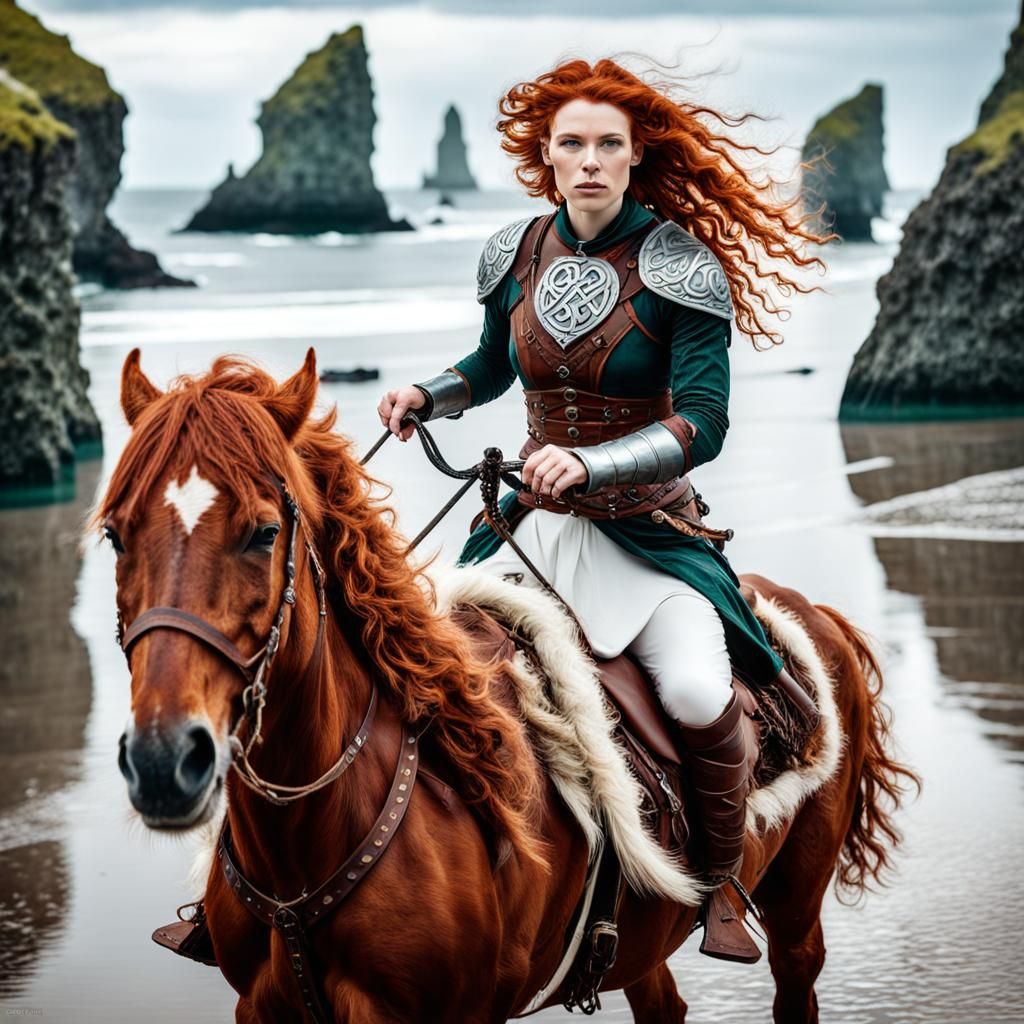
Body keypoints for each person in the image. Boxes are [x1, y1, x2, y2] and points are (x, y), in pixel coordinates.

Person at [378, 57, 824, 961]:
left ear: (634, 155)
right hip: (526, 528)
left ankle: (722, 882)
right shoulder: (512, 253)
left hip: (649, 537)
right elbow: (492, 365)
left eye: (608, 145)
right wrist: (428, 395)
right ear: (545, 154)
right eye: (572, 144)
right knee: (404, 662)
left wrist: (589, 466)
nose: (590, 161)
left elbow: (705, 422)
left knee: (696, 690)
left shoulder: (683, 267)